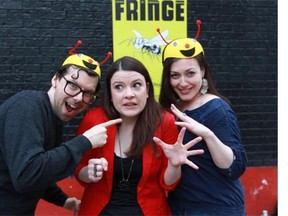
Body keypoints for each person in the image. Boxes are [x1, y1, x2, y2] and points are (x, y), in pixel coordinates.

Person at [0, 40, 121, 215]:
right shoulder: (27, 107)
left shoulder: (53, 117)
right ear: (55, 79)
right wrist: (84, 142)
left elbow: (40, 170)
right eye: (72, 85)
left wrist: (62, 200)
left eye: (87, 93)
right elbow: (27, 175)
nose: (79, 98)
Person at [74, 56, 204, 215]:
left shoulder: (164, 121)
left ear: (147, 89)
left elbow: (168, 183)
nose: (129, 94)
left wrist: (175, 165)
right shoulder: (94, 120)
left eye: (136, 85)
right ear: (110, 93)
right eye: (119, 87)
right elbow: (79, 169)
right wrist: (90, 173)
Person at [157, 20, 248, 215]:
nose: (183, 83)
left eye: (190, 73)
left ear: (203, 71)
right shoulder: (171, 110)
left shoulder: (217, 109)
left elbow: (235, 167)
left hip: (217, 208)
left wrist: (208, 135)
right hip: (180, 207)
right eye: (175, 75)